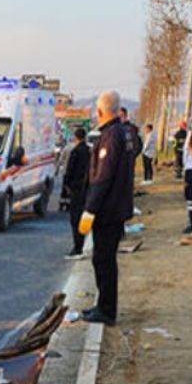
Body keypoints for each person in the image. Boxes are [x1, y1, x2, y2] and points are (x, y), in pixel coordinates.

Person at [77, 91, 134, 325]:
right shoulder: (121, 132)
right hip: (116, 208)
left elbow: (102, 178)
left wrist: (89, 210)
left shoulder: (111, 136)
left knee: (104, 260)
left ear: (100, 112)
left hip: (109, 211)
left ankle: (107, 310)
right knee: (103, 259)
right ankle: (103, 305)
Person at [62, 127, 91, 256]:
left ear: (75, 137)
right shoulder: (89, 151)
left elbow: (69, 171)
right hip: (88, 189)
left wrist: (67, 185)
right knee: (86, 216)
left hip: (77, 189)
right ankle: (84, 242)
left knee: (75, 219)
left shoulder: (75, 152)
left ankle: (78, 247)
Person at [118, 107, 143, 185]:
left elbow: (138, 144)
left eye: (121, 116)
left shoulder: (131, 129)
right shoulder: (116, 128)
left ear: (125, 115)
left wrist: (132, 155)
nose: (120, 118)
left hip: (128, 160)